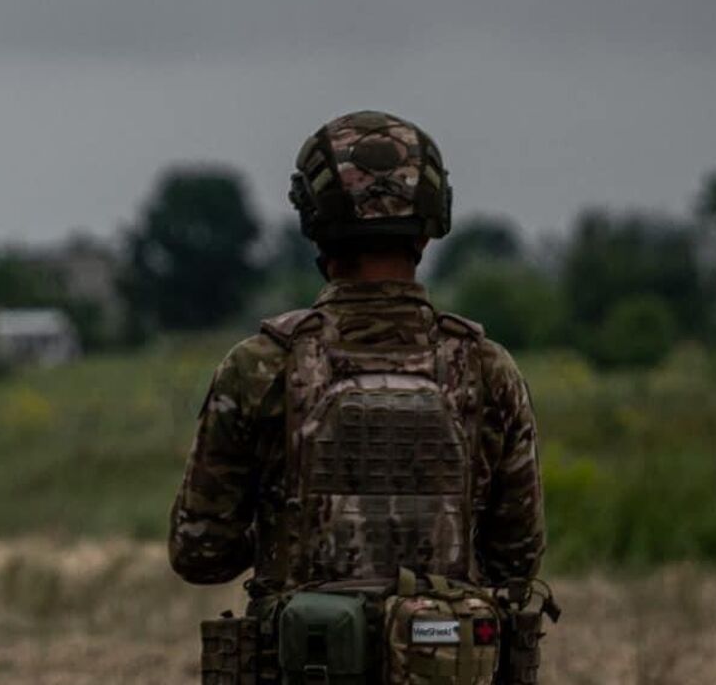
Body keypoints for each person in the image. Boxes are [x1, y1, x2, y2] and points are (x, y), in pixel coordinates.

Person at [169, 110, 549, 685]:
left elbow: (200, 552)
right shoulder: (487, 370)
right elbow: (516, 558)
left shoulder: (259, 367)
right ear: (430, 227)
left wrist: (288, 533)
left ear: (313, 222)